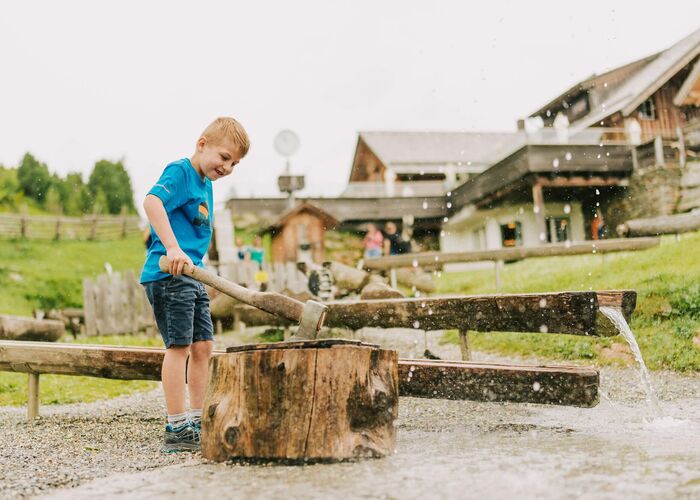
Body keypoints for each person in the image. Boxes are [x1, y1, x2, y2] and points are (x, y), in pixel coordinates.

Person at [140, 117, 250, 452]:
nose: (228, 166)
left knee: (203, 348)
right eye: (224, 157)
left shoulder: (207, 184)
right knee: (179, 348)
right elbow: (152, 203)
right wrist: (173, 248)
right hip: (169, 275)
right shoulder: (182, 172)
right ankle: (176, 426)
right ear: (202, 144)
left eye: (235, 163)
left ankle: (197, 418)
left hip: (194, 276)